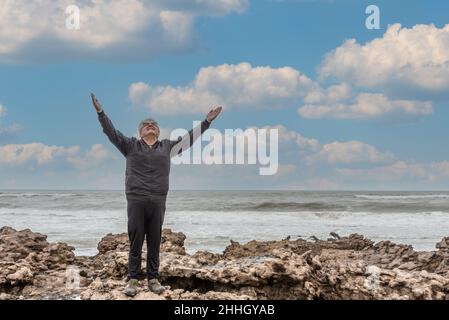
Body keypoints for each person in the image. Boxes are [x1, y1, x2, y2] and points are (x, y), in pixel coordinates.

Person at [90, 93, 222, 297]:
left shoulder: (167, 147)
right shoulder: (130, 145)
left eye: (154, 124)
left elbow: (190, 139)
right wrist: (101, 112)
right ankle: (133, 280)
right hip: (136, 199)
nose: (150, 125)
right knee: (135, 242)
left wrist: (207, 122)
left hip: (158, 200)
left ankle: (153, 279)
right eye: (146, 124)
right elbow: (111, 132)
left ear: (159, 130)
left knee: (154, 241)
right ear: (140, 131)